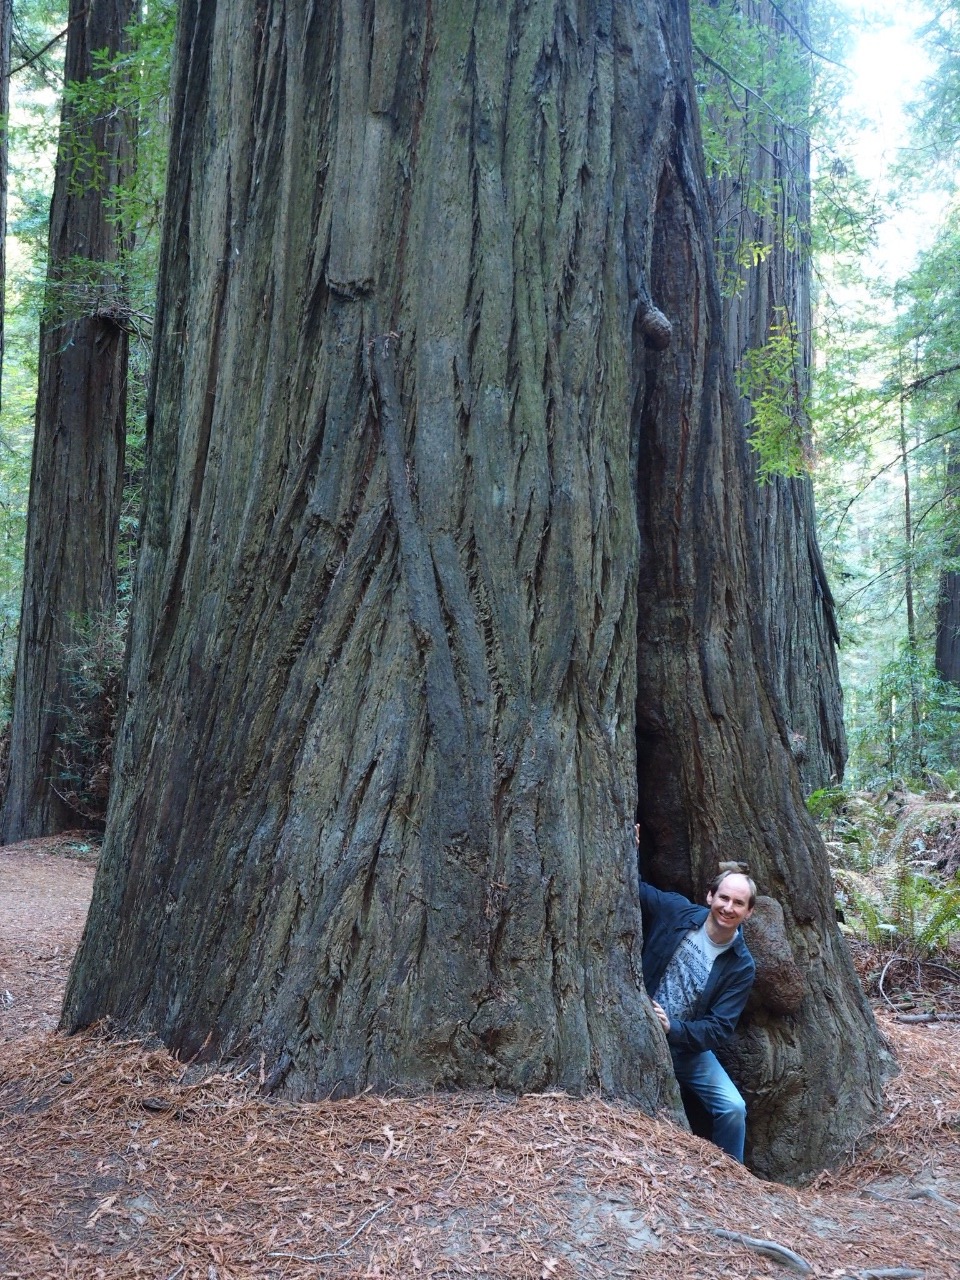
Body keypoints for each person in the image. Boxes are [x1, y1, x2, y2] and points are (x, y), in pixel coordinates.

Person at [637, 847, 756, 1163]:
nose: (728, 908)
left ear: (749, 912)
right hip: (636, 1030)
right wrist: (631, 847)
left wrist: (673, 1028)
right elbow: (634, 888)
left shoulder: (741, 965)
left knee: (733, 1108)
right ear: (710, 897)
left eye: (738, 903)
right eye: (724, 898)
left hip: (685, 1048)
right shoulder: (677, 913)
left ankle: (733, 1181)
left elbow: (719, 1028)